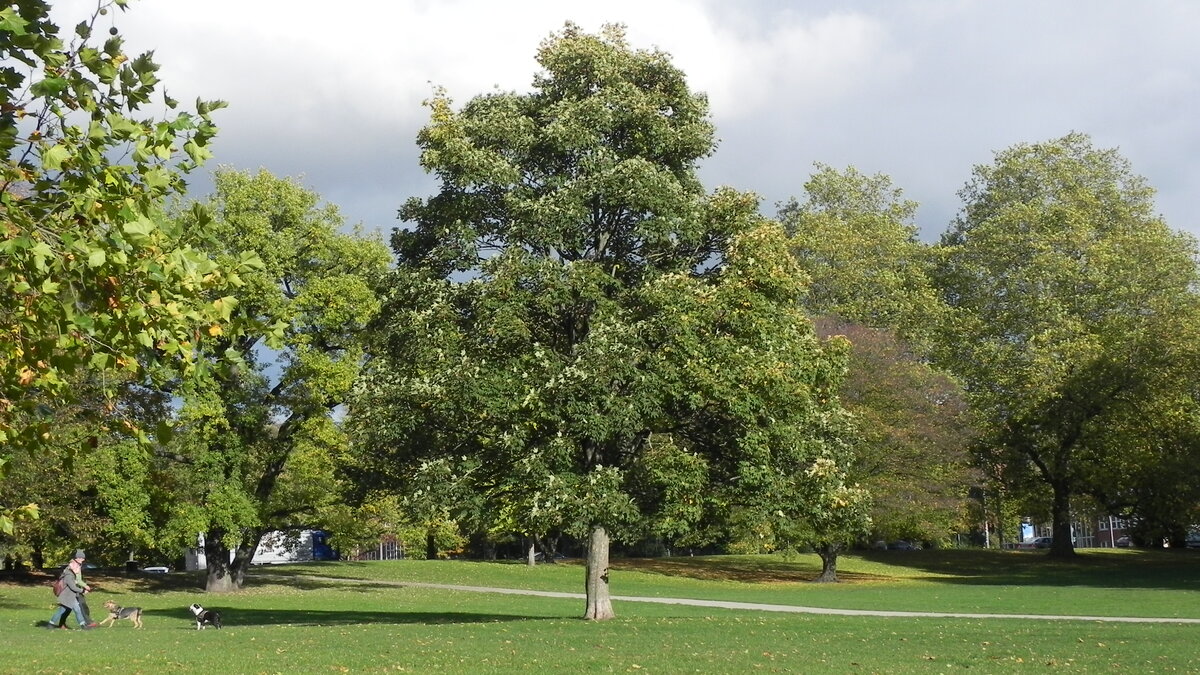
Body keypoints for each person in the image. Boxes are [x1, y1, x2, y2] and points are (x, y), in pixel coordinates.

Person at [46, 550, 96, 630]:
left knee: (62, 610)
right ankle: (83, 626)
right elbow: (73, 587)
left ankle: (50, 624)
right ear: (72, 566)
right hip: (67, 596)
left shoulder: (71, 573)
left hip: (69, 596)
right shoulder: (69, 575)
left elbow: (75, 583)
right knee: (77, 609)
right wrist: (83, 591)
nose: (79, 569)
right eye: (77, 567)